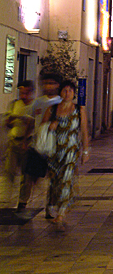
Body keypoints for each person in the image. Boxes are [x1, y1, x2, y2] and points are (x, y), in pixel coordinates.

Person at [42, 80, 89, 230]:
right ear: (60, 92)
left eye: (70, 90)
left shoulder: (79, 110)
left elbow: (84, 131)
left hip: (70, 151)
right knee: (54, 181)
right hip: (54, 151)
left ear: (74, 93)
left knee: (67, 180)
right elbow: (42, 128)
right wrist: (50, 126)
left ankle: (61, 213)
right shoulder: (52, 109)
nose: (67, 93)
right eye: (64, 90)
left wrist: (85, 150)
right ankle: (51, 205)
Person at [28, 73, 62, 218]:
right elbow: (31, 122)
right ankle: (26, 204)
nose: (49, 86)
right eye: (46, 83)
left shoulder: (61, 102)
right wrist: (26, 140)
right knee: (32, 177)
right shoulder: (37, 102)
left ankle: (50, 206)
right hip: (38, 146)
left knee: (54, 179)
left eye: (52, 83)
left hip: (55, 147)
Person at [3, 81, 35, 211]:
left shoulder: (34, 106)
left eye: (26, 92)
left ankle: (22, 201)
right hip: (13, 142)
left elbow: (34, 124)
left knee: (26, 175)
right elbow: (8, 124)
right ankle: (6, 198)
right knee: (9, 171)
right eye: (22, 92)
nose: (24, 95)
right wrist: (10, 120)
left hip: (27, 143)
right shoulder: (14, 104)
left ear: (31, 92)